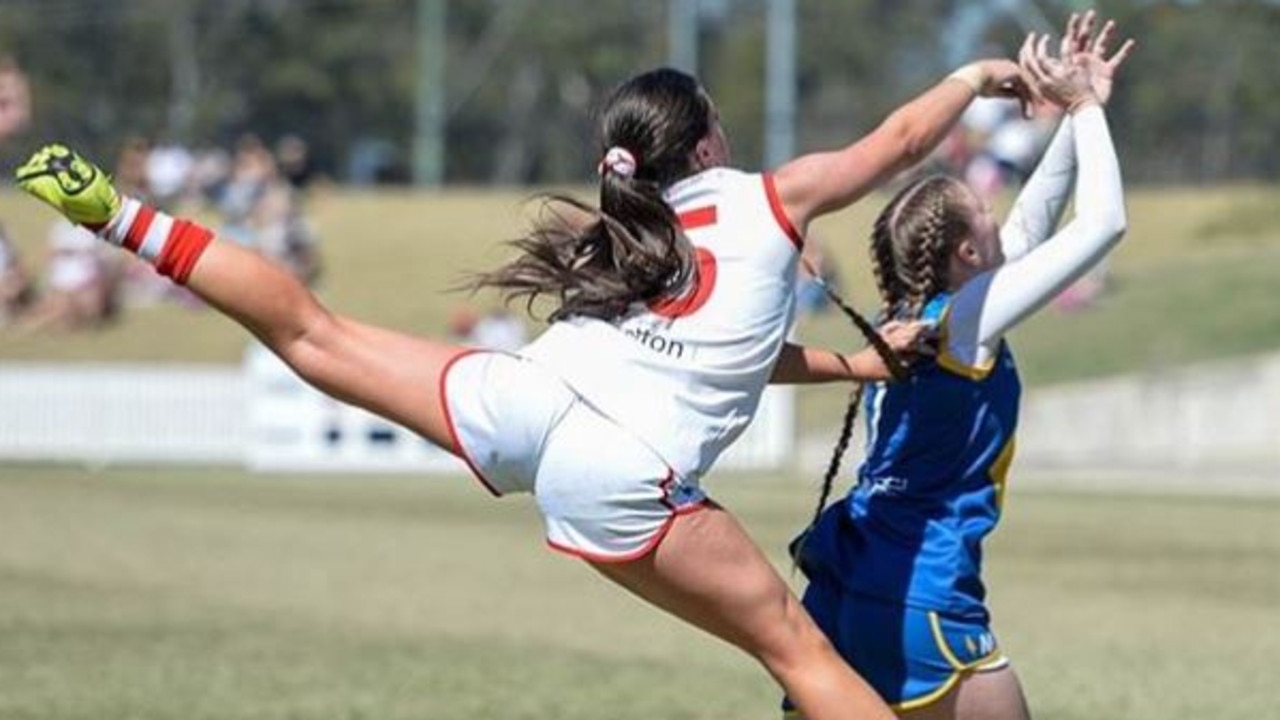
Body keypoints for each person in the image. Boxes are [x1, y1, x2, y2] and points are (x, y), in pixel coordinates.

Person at [15, 56, 1029, 719]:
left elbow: (725, 358)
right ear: (709, 140)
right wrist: (978, 75)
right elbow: (898, 142)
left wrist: (853, 364)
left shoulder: (637, 235)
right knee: (803, 658)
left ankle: (121, 220)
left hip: (527, 405)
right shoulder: (764, 198)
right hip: (621, 467)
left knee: (313, 334)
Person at [785, 13, 1133, 720]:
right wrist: (1090, 109)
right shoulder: (966, 321)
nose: (997, 212)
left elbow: (1033, 223)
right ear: (966, 256)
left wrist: (1074, 109)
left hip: (847, 579)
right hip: (920, 588)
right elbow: (1102, 226)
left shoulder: (907, 322)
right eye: (982, 211)